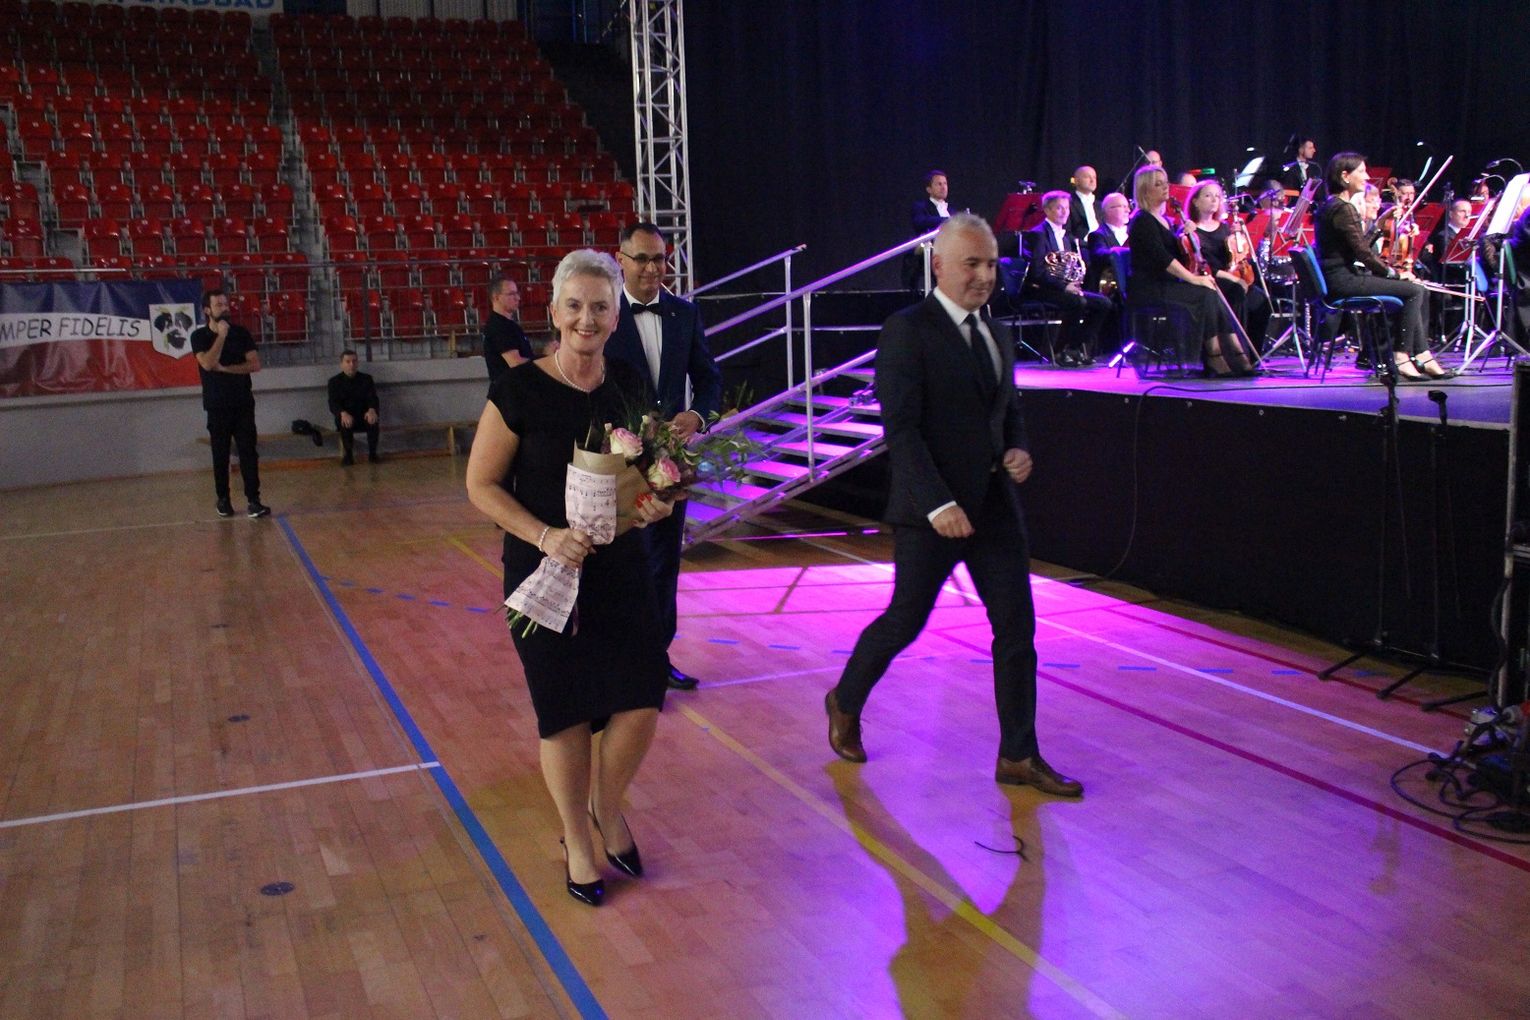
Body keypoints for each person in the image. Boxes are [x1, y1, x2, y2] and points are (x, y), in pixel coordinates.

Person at [824, 213, 1082, 798]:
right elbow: (902, 430)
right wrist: (938, 504)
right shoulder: (907, 330)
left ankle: (1019, 754)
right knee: (905, 620)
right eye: (972, 263)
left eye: (991, 263)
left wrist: (1017, 447)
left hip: (993, 505)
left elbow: (1008, 410)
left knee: (1016, 626)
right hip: (931, 513)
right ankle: (845, 699)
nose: (985, 275)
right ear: (939, 265)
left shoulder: (997, 333)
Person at [464, 249, 675, 908]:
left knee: (642, 695)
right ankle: (577, 841)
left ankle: (605, 807)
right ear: (553, 312)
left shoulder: (629, 382)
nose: (587, 318)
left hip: (621, 570)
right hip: (544, 571)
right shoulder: (518, 390)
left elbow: (651, 471)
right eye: (575, 305)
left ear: (615, 317)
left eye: (600, 307)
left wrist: (656, 501)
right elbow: (480, 485)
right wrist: (545, 535)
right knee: (565, 712)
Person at [605, 222, 722, 691]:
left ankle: (655, 661)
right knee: (620, 564)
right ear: (621, 260)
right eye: (642, 259)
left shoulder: (684, 314)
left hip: (670, 464)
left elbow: (710, 379)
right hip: (616, 463)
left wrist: (697, 416)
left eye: (659, 259)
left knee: (664, 564)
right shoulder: (604, 314)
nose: (653, 268)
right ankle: (618, 664)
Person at [1314, 152, 1446, 380]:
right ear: (1345, 176)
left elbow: (1359, 247)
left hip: (1340, 277)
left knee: (1416, 289)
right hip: (1344, 280)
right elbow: (1364, 254)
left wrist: (1378, 225)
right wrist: (1393, 274)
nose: (1367, 177)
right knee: (1415, 290)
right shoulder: (1343, 208)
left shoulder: (1332, 205)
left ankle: (1422, 355)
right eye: (1362, 171)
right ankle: (1402, 355)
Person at [1126, 165, 1251, 376]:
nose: (1165, 187)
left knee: (1211, 291)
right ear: (1145, 190)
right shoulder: (1142, 220)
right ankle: (1215, 355)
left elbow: (1179, 255)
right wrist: (1194, 279)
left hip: (1167, 285)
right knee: (1205, 293)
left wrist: (1185, 235)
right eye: (1158, 184)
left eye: (1165, 182)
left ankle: (1232, 351)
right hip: (1150, 288)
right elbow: (1164, 259)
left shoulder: (1166, 221)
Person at [190, 287, 269, 518]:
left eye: (226, 304)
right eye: (219, 305)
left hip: (242, 403)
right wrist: (221, 336)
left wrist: (226, 369)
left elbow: (254, 365)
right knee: (220, 454)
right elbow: (207, 363)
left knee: (248, 452)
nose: (225, 308)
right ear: (207, 310)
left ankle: (254, 500)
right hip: (217, 405)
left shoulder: (241, 333)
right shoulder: (199, 336)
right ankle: (223, 499)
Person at [1183, 179, 1271, 354]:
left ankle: (1253, 354)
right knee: (1237, 292)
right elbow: (1204, 266)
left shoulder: (1225, 228)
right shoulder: (1191, 231)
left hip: (1232, 277)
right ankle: (1235, 352)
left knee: (1262, 301)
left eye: (1217, 196)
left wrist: (1238, 238)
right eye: (1208, 196)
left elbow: (1234, 258)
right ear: (1195, 201)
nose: (1214, 200)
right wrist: (1235, 280)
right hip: (1211, 280)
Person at [1024, 190, 1110, 365]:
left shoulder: (1068, 237)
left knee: (1104, 303)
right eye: (1059, 208)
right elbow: (1036, 272)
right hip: (1042, 289)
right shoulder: (1038, 234)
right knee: (1077, 302)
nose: (1064, 212)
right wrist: (1064, 286)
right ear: (1047, 210)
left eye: (1067, 208)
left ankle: (1073, 348)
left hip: (1064, 288)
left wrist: (1074, 283)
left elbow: (1072, 266)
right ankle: (1058, 351)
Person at [327, 349, 380, 465]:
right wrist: (343, 413)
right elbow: (333, 403)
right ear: (341, 364)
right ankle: (348, 456)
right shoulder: (334, 382)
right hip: (346, 415)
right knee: (345, 422)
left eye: (354, 361)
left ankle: (373, 454)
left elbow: (373, 398)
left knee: (373, 420)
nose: (352, 364)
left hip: (363, 415)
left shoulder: (366, 379)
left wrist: (372, 410)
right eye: (348, 361)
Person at [906, 170, 953, 290]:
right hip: (931, 252)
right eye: (939, 184)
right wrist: (946, 221)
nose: (943, 187)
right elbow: (919, 222)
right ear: (929, 189)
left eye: (945, 183)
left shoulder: (952, 211)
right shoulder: (920, 206)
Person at [483, 275, 533, 385]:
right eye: (511, 294)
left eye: (517, 293)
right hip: (508, 391)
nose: (517, 298)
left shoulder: (510, 325)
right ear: (496, 298)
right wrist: (545, 361)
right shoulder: (498, 326)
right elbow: (515, 362)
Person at [1064, 164, 1100, 243]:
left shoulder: (1099, 205)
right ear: (1076, 181)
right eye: (1087, 177)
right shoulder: (1068, 203)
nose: (1092, 180)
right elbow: (1066, 232)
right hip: (1081, 245)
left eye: (1094, 177)